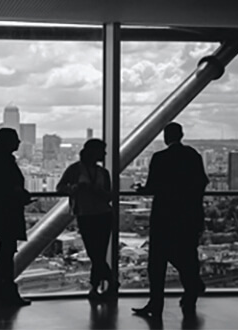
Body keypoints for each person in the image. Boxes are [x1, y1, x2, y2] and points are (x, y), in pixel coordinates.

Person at [131, 122, 209, 318]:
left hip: (164, 216)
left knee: (157, 263)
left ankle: (156, 304)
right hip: (188, 216)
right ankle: (191, 293)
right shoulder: (193, 156)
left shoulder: (160, 158)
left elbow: (152, 187)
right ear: (181, 135)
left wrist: (140, 189)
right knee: (187, 255)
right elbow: (202, 183)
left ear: (166, 137)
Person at [56, 139, 117, 302]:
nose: (104, 154)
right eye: (102, 151)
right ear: (93, 152)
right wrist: (75, 188)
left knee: (97, 253)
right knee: (96, 253)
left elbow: (109, 196)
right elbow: (60, 187)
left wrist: (94, 191)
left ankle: (96, 287)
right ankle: (109, 282)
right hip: (91, 214)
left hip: (97, 214)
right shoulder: (76, 170)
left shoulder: (102, 172)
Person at [0, 128, 33, 307]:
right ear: (8, 142)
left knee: (5, 252)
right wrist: (20, 195)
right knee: (6, 253)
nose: (19, 143)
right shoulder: (5, 161)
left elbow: (1, 186)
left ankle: (1, 291)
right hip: (8, 211)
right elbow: (9, 186)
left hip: (1, 210)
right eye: (16, 140)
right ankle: (6, 291)